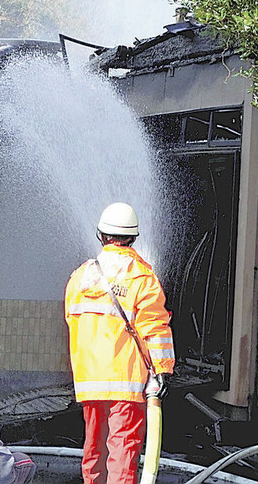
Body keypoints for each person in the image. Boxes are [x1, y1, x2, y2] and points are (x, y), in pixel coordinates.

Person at [64, 202, 175, 484]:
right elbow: (155, 328)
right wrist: (161, 371)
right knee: (122, 455)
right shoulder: (141, 276)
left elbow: (71, 319)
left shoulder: (81, 276)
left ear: (101, 235)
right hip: (125, 381)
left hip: (89, 381)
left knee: (94, 452)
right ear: (134, 237)